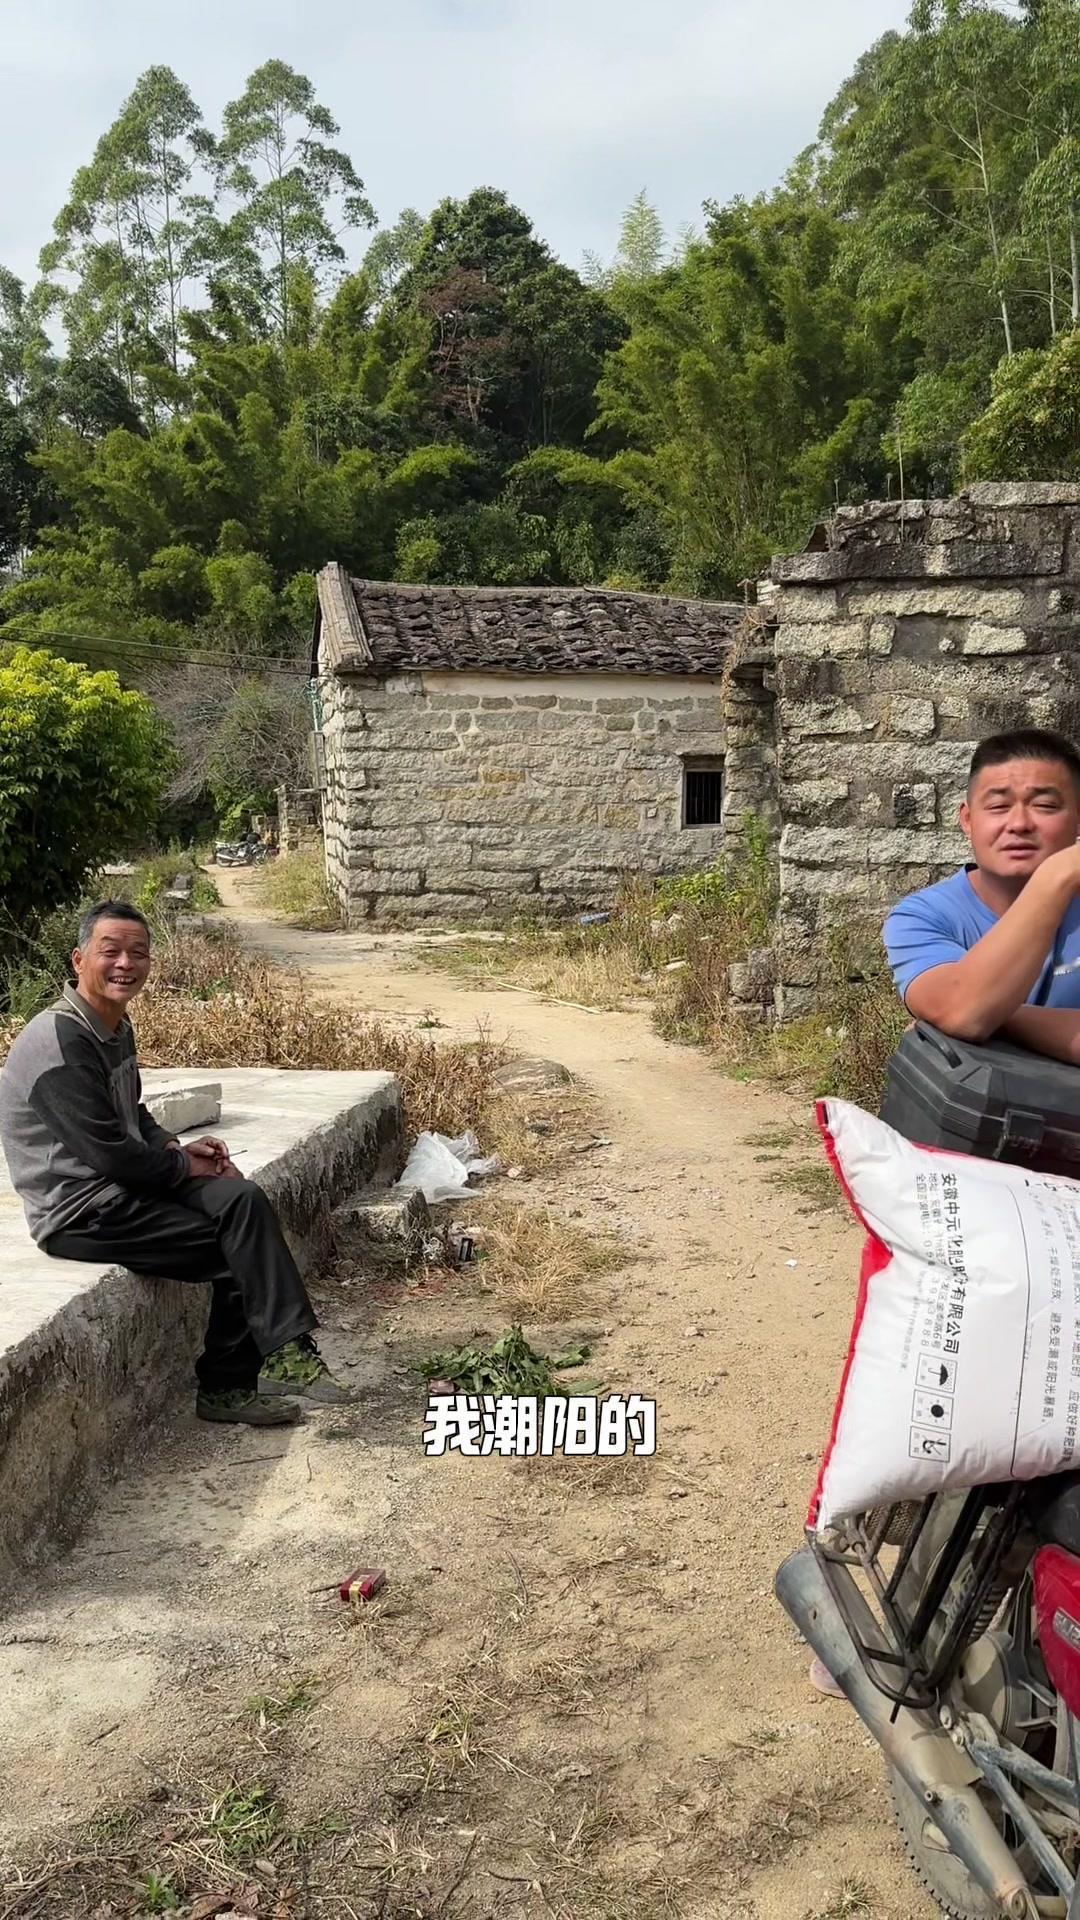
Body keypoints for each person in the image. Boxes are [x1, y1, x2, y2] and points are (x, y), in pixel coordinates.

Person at [0, 900, 352, 1427]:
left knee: (241, 1198)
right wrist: (184, 1170)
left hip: (123, 1190)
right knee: (238, 1249)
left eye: (138, 953)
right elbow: (110, 1153)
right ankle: (231, 1385)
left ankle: (286, 1352)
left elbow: (133, 1115)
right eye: (110, 951)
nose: (126, 964)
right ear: (79, 960)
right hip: (82, 1212)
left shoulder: (112, 1024)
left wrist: (176, 1148)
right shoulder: (60, 1042)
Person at [884, 727, 1080, 1054]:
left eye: (1045, 805)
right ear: (968, 819)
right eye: (999, 806)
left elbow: (961, 1014)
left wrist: (992, 1014)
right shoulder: (923, 917)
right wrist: (1056, 876)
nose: (1019, 824)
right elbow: (962, 1011)